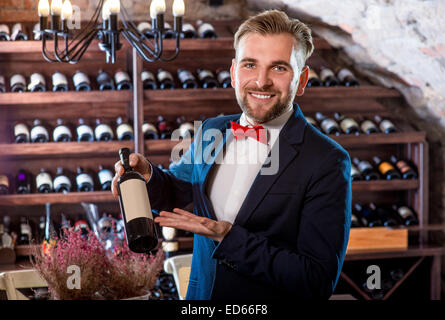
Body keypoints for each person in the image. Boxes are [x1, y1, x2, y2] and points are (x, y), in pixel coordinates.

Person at [112, 10, 352, 300]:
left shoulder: (326, 161)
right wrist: (148, 177)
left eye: (279, 68)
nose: (261, 81)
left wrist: (225, 235)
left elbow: (316, 280)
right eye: (250, 65)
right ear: (234, 73)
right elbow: (181, 192)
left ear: (301, 80)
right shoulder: (214, 130)